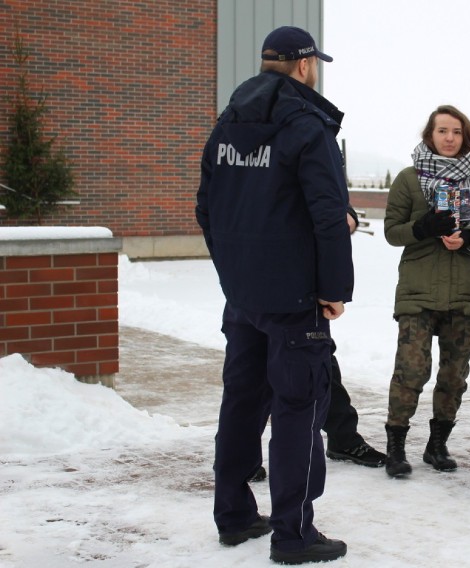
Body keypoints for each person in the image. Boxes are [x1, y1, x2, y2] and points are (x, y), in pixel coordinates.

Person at [195, 25, 351, 565]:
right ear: (304, 65)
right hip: (293, 301)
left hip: (244, 297)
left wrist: (234, 273)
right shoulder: (308, 126)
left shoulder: (228, 123)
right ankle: (294, 533)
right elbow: (329, 216)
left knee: (241, 402)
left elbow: (206, 208)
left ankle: (233, 515)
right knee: (298, 408)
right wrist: (334, 289)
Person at [382, 104, 470, 478]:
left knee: (453, 377)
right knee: (411, 371)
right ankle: (396, 445)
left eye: (457, 132)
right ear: (430, 135)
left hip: (464, 293)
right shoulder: (409, 179)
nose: (449, 138)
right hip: (418, 292)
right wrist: (422, 227)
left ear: (465, 137)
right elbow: (392, 231)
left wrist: (468, 237)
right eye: (442, 131)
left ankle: (437, 445)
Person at [251, 209, 386, 484]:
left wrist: (346, 214)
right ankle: (243, 455)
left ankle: (343, 438)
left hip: (299, 278)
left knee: (320, 364)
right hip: (265, 275)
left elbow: (331, 200)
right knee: (257, 366)